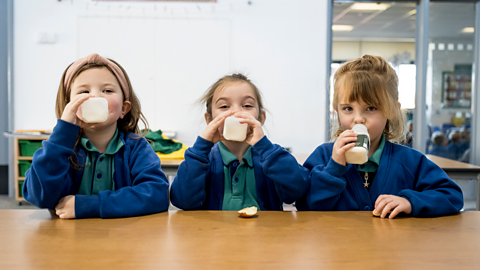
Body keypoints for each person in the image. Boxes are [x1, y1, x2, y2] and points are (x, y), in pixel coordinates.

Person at [296, 55, 463, 218]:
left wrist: (410, 201)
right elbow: (305, 206)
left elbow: (452, 195)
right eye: (348, 108)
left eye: (370, 108)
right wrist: (333, 170)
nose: (358, 118)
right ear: (337, 110)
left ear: (392, 110)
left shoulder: (408, 161)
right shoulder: (324, 157)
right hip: (340, 245)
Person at [23, 53, 169, 219]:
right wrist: (63, 131)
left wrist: (90, 205)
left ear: (124, 108)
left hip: (125, 238)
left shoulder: (137, 147)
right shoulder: (59, 147)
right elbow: (40, 197)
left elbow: (158, 195)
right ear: (68, 106)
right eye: (84, 91)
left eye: (107, 90)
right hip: (67, 240)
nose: (95, 97)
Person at [170, 73, 309, 210]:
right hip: (214, 232)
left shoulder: (272, 157)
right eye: (224, 106)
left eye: (247, 105)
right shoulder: (204, 159)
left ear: (261, 118)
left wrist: (265, 148)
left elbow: (299, 189)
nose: (236, 112)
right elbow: (182, 201)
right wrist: (201, 147)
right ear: (209, 120)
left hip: (266, 232)